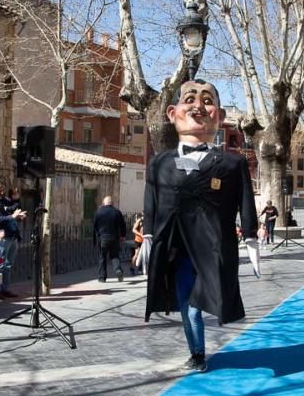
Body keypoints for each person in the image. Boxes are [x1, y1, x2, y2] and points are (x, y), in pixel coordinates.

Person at [143, 79, 259, 373]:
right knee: (185, 303)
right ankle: (196, 352)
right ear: (172, 112)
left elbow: (246, 201)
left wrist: (251, 237)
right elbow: (152, 200)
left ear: (219, 116)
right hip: (175, 248)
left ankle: (198, 353)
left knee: (196, 304)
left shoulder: (232, 164)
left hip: (212, 246)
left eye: (207, 100)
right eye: (190, 99)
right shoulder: (159, 163)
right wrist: (147, 236)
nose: (198, 106)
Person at [0, 180, 26, 298]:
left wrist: (19, 216)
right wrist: (11, 216)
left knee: (8, 264)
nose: (1, 192)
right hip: (3, 236)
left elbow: (14, 209)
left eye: (3, 190)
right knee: (1, 264)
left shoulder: (5, 200)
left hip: (13, 235)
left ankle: (5, 289)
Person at [93, 196, 127, 282]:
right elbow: (123, 225)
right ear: (112, 203)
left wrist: (95, 239)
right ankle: (118, 270)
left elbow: (95, 226)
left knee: (102, 257)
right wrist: (122, 236)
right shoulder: (117, 212)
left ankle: (102, 277)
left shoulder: (98, 212)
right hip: (114, 238)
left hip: (103, 238)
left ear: (103, 203)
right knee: (115, 255)